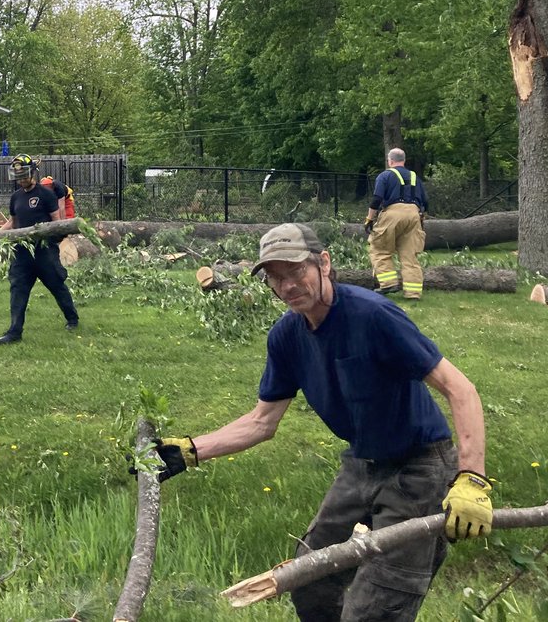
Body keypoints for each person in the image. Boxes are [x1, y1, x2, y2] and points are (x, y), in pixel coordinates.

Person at [139, 222, 491, 621]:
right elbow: (262, 421)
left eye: (296, 271)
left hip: (420, 467)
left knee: (378, 607)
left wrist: (472, 479)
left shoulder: (374, 316)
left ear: (323, 263)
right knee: (309, 577)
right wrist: (190, 449)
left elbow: (460, 389)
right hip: (361, 463)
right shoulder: (286, 336)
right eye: (275, 277)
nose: (287, 285)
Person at [0, 153, 80, 345]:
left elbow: (56, 222)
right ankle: (14, 331)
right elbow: (13, 223)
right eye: (19, 176)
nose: (22, 179)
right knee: (18, 289)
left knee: (57, 285)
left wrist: (55, 240)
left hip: (44, 252)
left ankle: (72, 319)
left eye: (25, 175)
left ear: (33, 172)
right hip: (22, 253)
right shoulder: (15, 197)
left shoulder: (46, 194)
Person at [364, 148, 429, 299]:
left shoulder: (385, 176)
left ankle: (388, 284)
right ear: (404, 161)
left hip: (393, 212)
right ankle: (413, 293)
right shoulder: (415, 177)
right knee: (410, 255)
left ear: (390, 161)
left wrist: (369, 219)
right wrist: (421, 218)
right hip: (414, 214)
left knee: (379, 249)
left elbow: (376, 199)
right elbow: (426, 201)